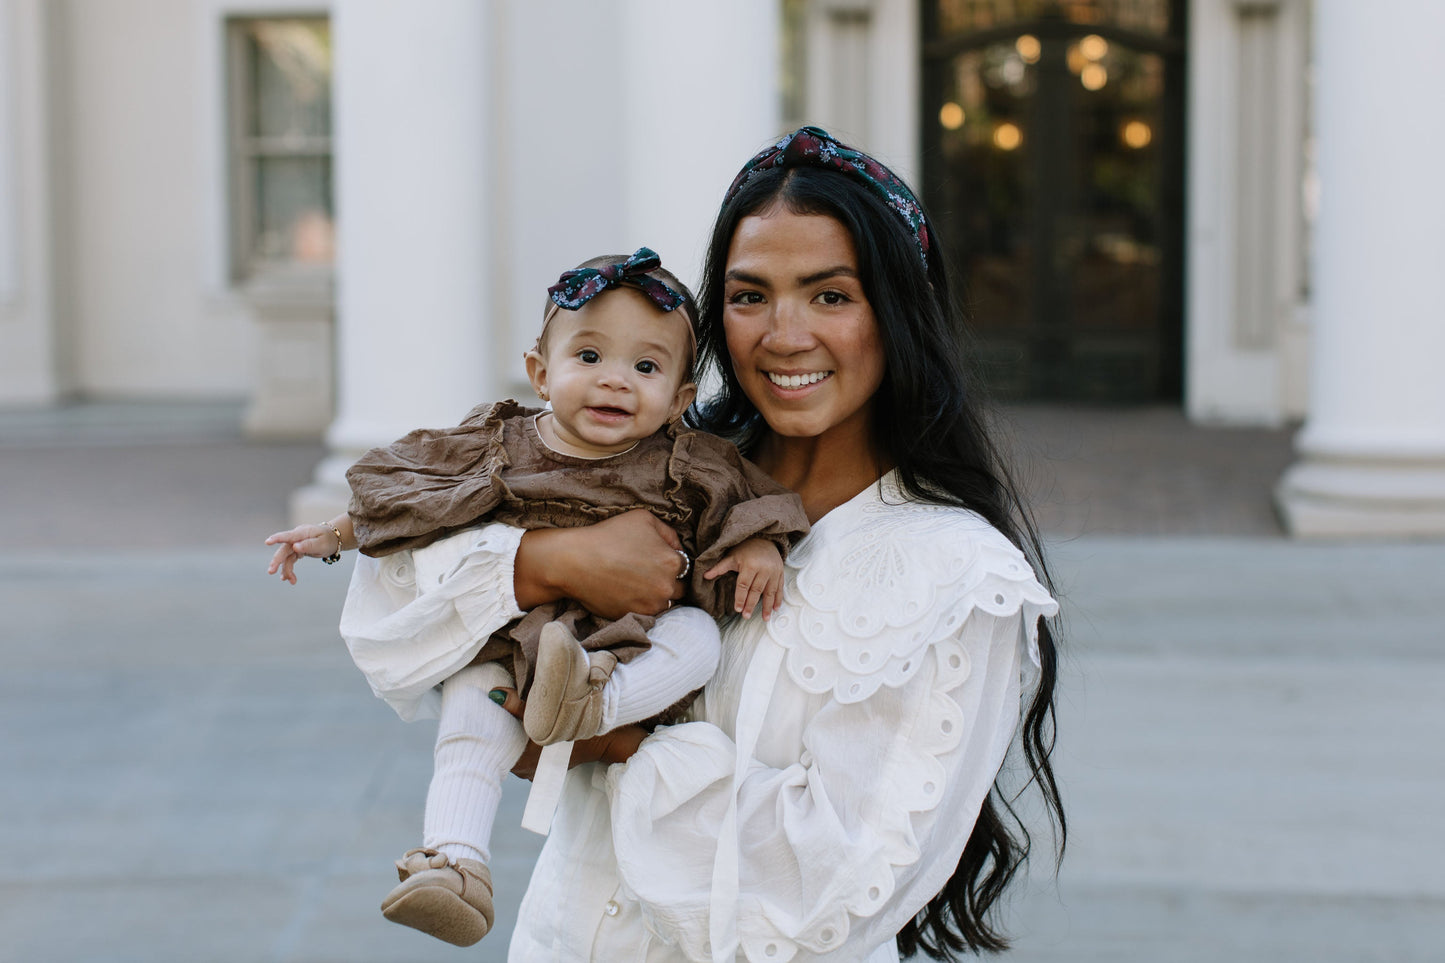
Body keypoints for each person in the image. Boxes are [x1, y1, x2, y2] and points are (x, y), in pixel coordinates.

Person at [340, 126, 1065, 962]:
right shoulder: (650, 468)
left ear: (898, 311)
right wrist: (546, 562)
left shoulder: (957, 574)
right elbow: (387, 618)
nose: (783, 335)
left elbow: (832, 883)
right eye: (749, 295)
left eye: (830, 296)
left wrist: (619, 745)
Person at [264, 247, 809, 948]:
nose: (614, 379)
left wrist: (761, 544)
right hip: (518, 642)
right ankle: (455, 861)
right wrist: (333, 534)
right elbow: (414, 494)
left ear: (679, 400)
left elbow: (752, 500)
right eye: (589, 355)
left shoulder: (687, 461)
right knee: (470, 713)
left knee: (697, 640)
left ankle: (592, 705)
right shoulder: (498, 443)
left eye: (646, 367)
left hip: (625, 646)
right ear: (540, 372)